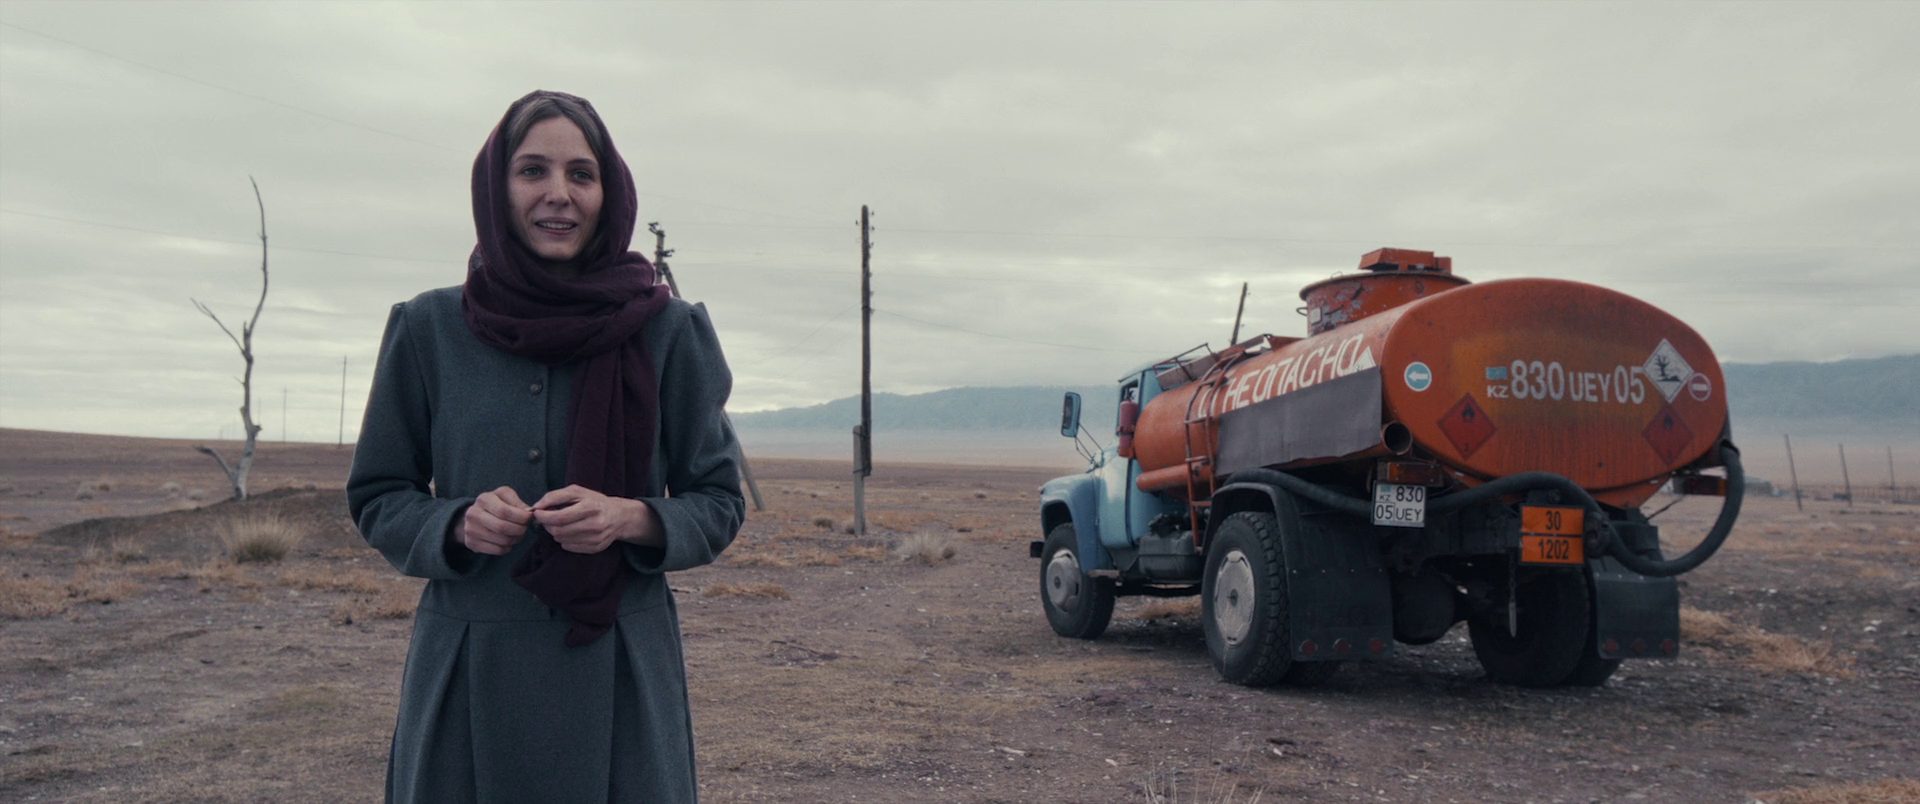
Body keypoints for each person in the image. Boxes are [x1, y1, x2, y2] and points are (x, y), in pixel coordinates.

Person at [348, 89, 744, 803]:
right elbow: (379, 496)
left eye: (581, 174)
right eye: (532, 170)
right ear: (496, 187)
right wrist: (454, 522)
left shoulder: (667, 330)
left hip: (620, 668)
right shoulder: (429, 328)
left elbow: (718, 501)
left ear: (609, 191)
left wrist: (630, 518)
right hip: (470, 663)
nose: (558, 193)